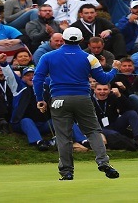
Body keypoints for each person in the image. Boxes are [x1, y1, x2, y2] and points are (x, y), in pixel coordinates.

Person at [33, 27, 120, 180]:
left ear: (63, 39)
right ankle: (102, 161)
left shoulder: (48, 56)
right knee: (93, 131)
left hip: (59, 99)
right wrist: (114, 70)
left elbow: (38, 79)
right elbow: (104, 79)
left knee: (63, 136)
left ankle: (67, 171)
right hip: (82, 98)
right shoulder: (90, 58)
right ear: (81, 40)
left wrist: (40, 99)